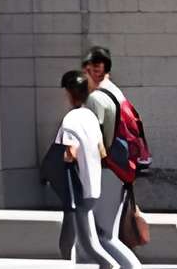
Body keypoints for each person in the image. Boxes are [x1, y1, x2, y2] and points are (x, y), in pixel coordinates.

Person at [55, 68, 142, 269]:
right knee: (95, 240)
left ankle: (114, 266)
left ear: (68, 93)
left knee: (90, 243)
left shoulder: (71, 119)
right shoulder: (90, 118)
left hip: (81, 190)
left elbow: (70, 154)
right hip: (95, 186)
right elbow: (102, 151)